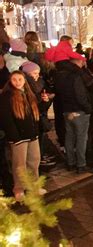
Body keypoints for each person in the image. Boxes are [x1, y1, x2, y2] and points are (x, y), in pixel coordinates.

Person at [0, 71, 44, 201]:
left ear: (24, 80)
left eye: (20, 79)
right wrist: (15, 137)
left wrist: (46, 102)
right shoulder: (7, 96)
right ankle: (19, 188)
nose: (17, 82)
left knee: (34, 160)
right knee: (19, 164)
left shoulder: (29, 94)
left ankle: (34, 185)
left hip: (32, 134)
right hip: (18, 137)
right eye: (14, 79)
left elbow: (35, 112)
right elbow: (6, 118)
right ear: (10, 81)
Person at [55, 59, 93, 173]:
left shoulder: (59, 76)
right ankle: (81, 164)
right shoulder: (76, 76)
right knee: (81, 138)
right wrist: (88, 108)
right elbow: (80, 95)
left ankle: (70, 162)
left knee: (69, 137)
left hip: (66, 110)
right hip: (79, 110)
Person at [21, 61, 55, 166]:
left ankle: (40, 157)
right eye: (34, 73)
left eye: (37, 73)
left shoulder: (39, 83)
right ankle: (36, 160)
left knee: (40, 138)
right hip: (31, 117)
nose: (37, 75)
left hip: (39, 114)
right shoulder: (27, 85)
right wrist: (42, 99)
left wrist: (46, 100)